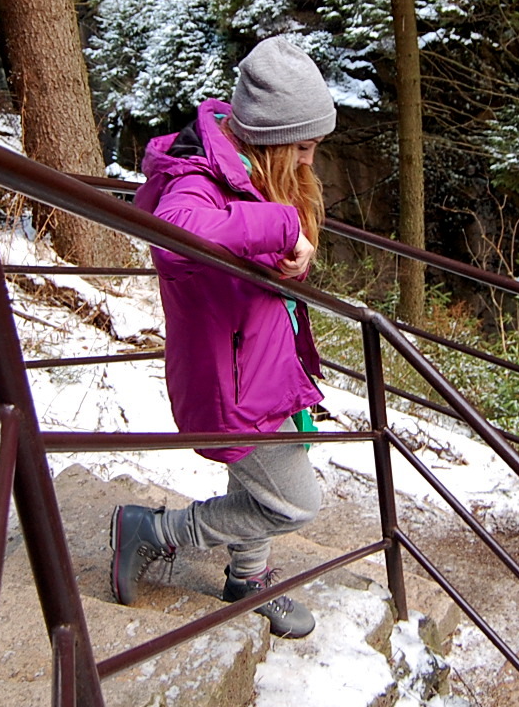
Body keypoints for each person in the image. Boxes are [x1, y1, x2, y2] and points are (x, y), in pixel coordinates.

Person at [110, 36, 334, 639]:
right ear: (269, 137)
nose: (309, 161)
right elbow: (174, 230)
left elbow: (257, 258)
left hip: (262, 362)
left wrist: (293, 257)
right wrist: (284, 226)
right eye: (303, 147)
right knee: (293, 502)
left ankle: (247, 578)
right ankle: (152, 531)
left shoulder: (248, 168)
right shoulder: (197, 177)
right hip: (227, 378)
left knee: (255, 480)